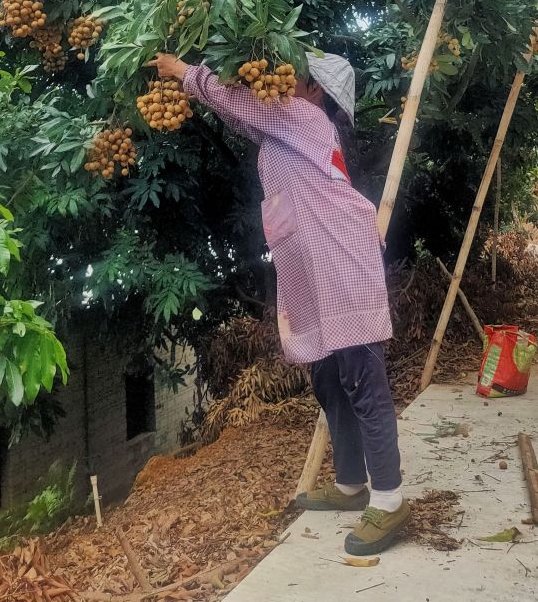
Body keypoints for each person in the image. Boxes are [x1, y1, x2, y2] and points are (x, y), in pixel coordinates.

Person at [149, 51, 409, 556]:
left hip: (340, 262)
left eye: (296, 79)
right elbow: (241, 112)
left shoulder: (307, 118)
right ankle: (353, 484)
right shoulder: (282, 131)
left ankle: (391, 498)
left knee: (361, 376)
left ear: (316, 91)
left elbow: (244, 105)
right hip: (316, 269)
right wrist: (200, 87)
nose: (281, 84)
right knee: (330, 379)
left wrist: (188, 74)